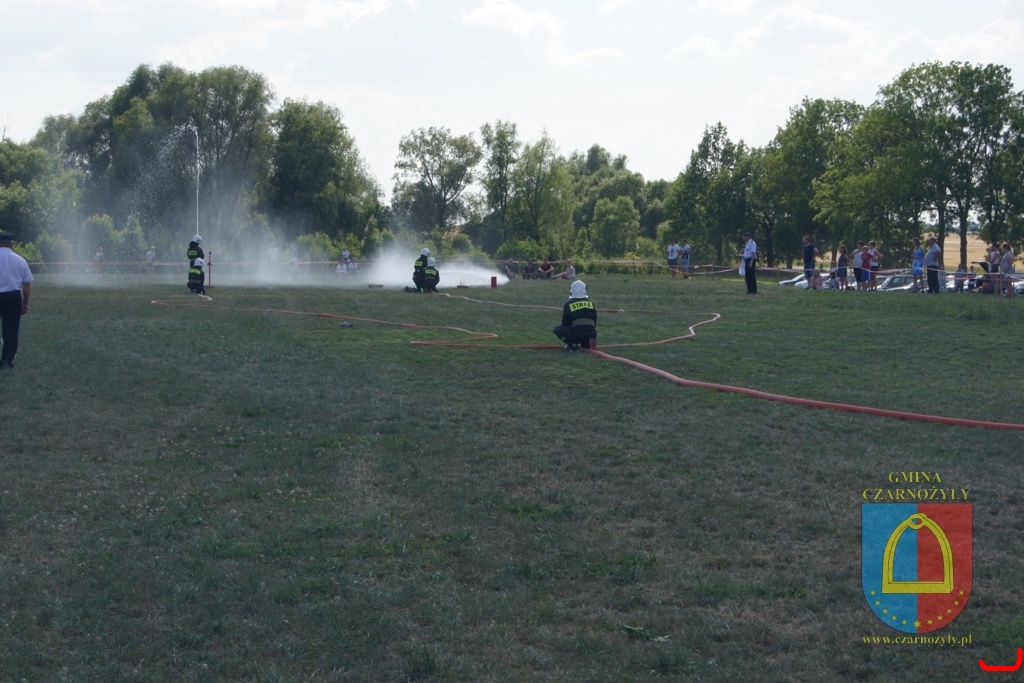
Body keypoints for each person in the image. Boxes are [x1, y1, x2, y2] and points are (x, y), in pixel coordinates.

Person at [0, 231, 34, 370]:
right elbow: (26, 284)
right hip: (13, 297)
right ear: (11, 243)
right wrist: (25, 303)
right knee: (11, 330)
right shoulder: (20, 260)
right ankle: (6, 361)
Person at [553, 280, 597, 350]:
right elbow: (595, 320)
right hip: (591, 332)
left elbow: (565, 323)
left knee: (557, 330)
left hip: (577, 332)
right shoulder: (590, 303)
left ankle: (572, 344)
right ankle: (587, 343)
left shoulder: (568, 303)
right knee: (585, 336)